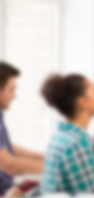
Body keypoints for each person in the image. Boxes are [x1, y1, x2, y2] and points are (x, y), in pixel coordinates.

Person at [0, 61, 44, 196]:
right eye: (11, 90)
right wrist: (57, 167)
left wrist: (46, 157)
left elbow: (7, 148)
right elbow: (10, 165)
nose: (15, 96)